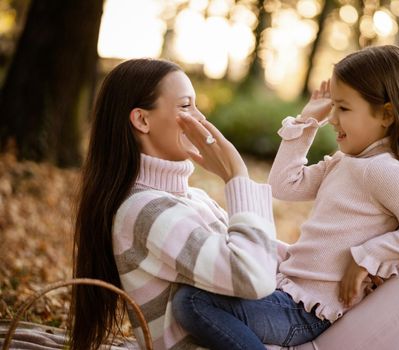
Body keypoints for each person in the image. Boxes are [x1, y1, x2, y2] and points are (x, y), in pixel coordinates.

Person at [172, 45, 399, 350]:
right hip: (288, 295)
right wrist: (305, 122)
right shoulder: (345, 163)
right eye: (333, 107)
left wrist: (369, 255)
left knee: (193, 301)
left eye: (343, 108)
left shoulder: (383, 171)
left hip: (305, 312)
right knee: (194, 297)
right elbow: (284, 185)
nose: (332, 119)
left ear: (386, 114)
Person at [69, 58, 280, 350]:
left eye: (196, 105)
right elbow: (253, 278)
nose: (200, 118)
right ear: (142, 120)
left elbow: (274, 259)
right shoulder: (143, 210)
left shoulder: (192, 198)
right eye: (185, 106)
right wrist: (237, 177)